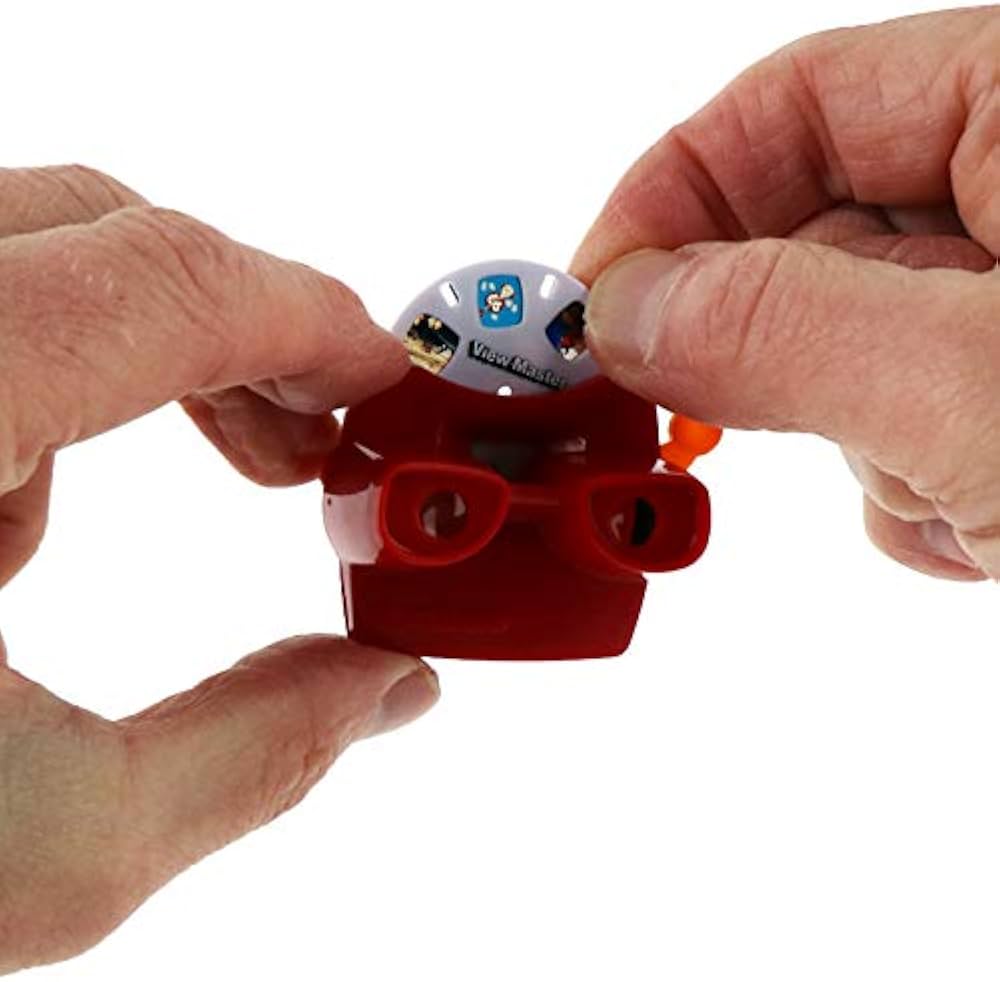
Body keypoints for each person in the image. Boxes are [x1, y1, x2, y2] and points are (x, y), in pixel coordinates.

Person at [0, 5, 995, 972]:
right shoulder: (425, 426)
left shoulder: (565, 424)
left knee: (517, 518)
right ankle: (468, 519)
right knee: (474, 516)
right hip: (476, 498)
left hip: (534, 490)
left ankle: (474, 519)